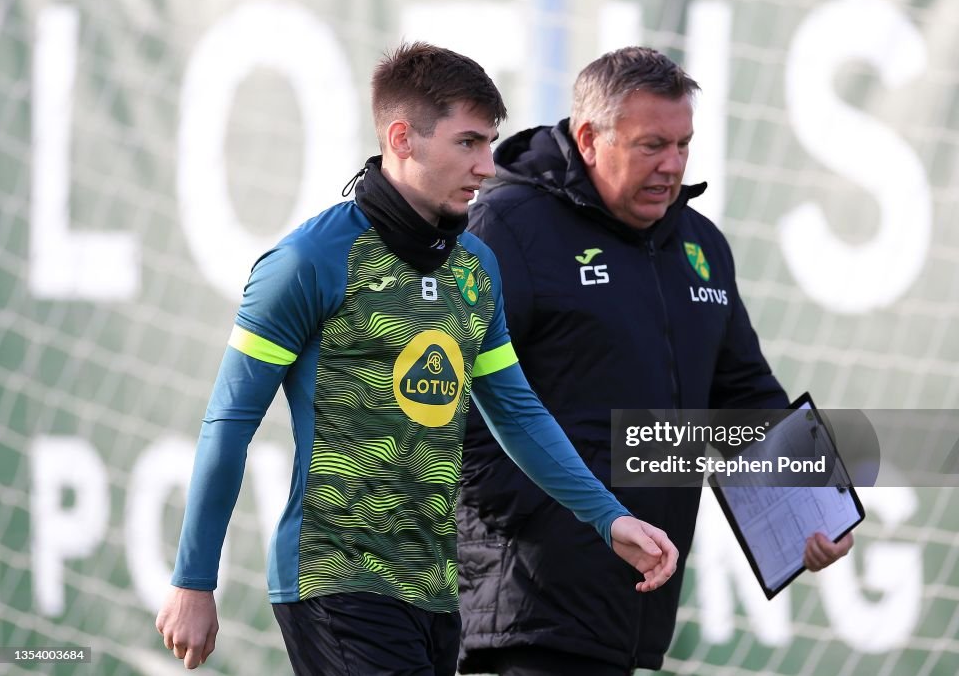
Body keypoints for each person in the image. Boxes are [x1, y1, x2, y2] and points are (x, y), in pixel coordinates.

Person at [154, 42, 680, 675]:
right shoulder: (307, 263)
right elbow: (228, 424)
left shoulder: (475, 268)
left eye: (490, 143)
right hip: (334, 579)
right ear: (402, 138)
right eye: (468, 143)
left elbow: (517, 413)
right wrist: (193, 580)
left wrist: (608, 519)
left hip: (436, 593)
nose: (487, 166)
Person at [457, 46, 854, 675]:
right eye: (651, 146)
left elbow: (742, 394)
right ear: (589, 139)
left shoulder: (699, 244)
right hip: (530, 607)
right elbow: (451, 411)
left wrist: (808, 501)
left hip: (636, 607)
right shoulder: (507, 228)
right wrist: (562, 522)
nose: (672, 166)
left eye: (684, 145)